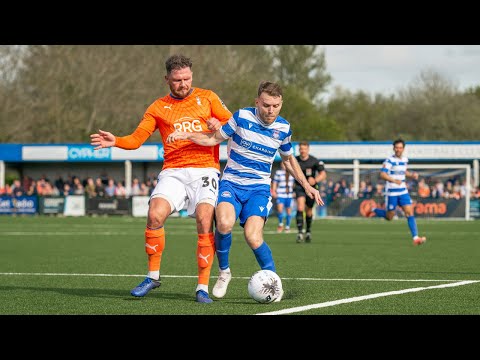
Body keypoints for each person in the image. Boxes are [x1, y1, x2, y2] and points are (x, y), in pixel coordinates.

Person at [89, 54, 232, 303]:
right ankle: (152, 276)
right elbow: (136, 140)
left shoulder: (208, 97)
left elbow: (232, 125)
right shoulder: (157, 107)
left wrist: (215, 124)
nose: (183, 84)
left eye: (187, 78)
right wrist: (117, 141)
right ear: (167, 79)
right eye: (177, 80)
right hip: (174, 170)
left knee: (204, 218)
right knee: (154, 214)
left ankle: (202, 288)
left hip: (205, 169)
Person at [166, 80, 324, 302]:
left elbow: (288, 160)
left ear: (281, 104)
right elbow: (214, 138)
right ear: (257, 101)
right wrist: (187, 136)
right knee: (224, 223)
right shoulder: (241, 117)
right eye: (267, 105)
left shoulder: (283, 128)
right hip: (231, 183)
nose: (271, 110)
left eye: (276, 106)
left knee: (252, 235)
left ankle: (273, 281)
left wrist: (307, 185)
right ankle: (224, 272)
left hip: (259, 188)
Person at [367, 138, 427, 246]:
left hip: (403, 191)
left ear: (403, 149)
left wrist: (412, 175)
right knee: (390, 217)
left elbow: (404, 171)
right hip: (392, 192)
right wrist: (394, 180)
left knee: (409, 213)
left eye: (400, 147)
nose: (398, 149)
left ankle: (416, 238)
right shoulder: (389, 160)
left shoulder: (405, 160)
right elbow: (382, 174)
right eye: (396, 147)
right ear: (393, 148)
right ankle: (373, 210)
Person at [293, 141, 326, 243]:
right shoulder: (295, 160)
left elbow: (323, 174)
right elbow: (288, 170)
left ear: (308, 149)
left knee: (309, 211)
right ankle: (299, 233)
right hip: (299, 187)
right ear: (299, 149)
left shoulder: (314, 161)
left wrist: (315, 180)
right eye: (301, 149)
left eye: (304, 149)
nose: (302, 150)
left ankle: (308, 231)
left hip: (311, 188)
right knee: (300, 207)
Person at [271, 161, 295, 233]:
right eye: (282, 164)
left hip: (289, 195)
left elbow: (294, 184)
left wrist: (294, 192)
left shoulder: (292, 172)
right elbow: (274, 183)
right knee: (280, 209)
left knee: (288, 211)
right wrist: (274, 191)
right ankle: (280, 224)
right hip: (280, 194)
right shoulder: (278, 173)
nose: (284, 165)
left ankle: (287, 226)